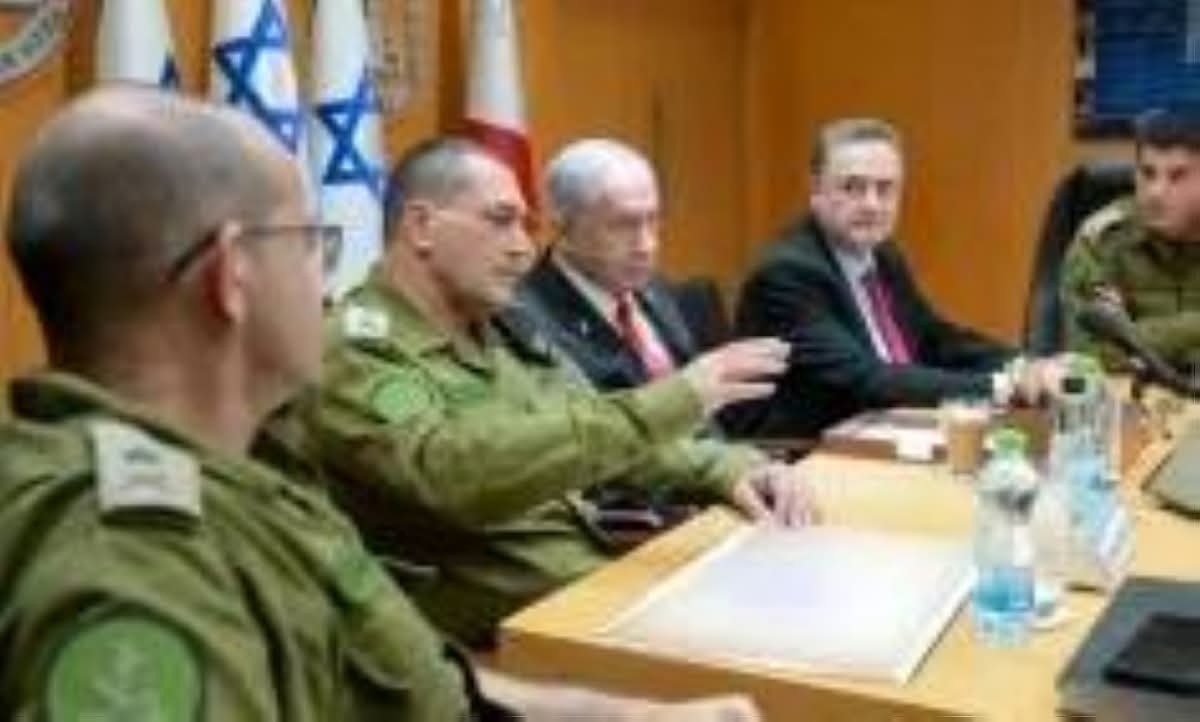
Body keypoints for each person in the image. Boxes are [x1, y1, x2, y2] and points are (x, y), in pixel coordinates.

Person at [0, 88, 760, 722]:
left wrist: (623, 717)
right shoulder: (137, 557)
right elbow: (450, 476)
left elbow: (412, 693)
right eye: (311, 244)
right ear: (233, 276)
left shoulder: (254, 478)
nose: (327, 280)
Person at [275, 136, 817, 648]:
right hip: (488, 638)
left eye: (526, 225)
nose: (523, 248)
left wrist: (726, 469)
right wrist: (681, 396)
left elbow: (594, 431)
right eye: (501, 220)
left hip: (581, 583)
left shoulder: (499, 329)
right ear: (421, 226)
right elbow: (452, 475)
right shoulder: (356, 350)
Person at [733, 117, 1061, 438]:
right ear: (817, 190)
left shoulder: (882, 254)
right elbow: (867, 380)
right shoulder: (787, 274)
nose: (872, 204)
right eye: (853, 187)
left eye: (885, 189)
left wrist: (1025, 365)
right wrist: (1007, 386)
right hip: (798, 451)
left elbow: (934, 338)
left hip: (881, 426)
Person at [518, 138, 698, 390]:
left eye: (653, 220)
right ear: (562, 228)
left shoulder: (655, 289)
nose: (646, 245)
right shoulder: (527, 318)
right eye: (623, 225)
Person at [1061, 107, 1200, 373]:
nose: (1156, 192)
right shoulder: (1102, 241)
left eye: (1178, 176)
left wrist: (1135, 335)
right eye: (1147, 173)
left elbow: (1121, 344)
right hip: (1129, 395)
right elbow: (1093, 353)